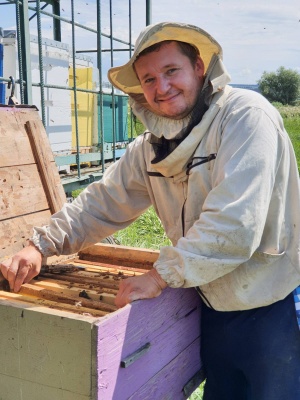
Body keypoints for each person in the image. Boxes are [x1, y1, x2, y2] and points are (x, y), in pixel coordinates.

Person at [1, 22, 300, 399]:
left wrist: (159, 277)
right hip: (209, 299)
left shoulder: (245, 117)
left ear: (199, 68)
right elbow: (100, 204)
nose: (161, 87)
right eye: (149, 79)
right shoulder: (150, 147)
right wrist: (39, 246)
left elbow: (235, 226)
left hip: (273, 302)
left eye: (171, 71)